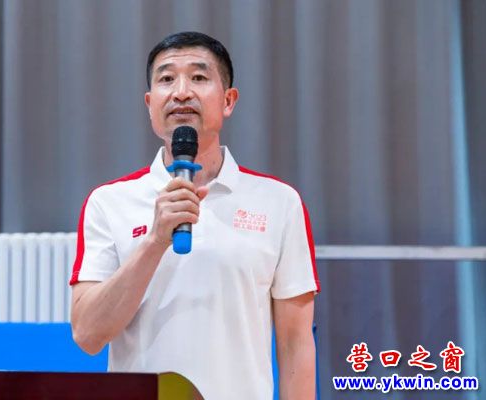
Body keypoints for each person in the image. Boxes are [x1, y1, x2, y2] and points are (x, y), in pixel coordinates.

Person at [70, 31, 320, 400]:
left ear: (228, 100)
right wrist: (155, 240)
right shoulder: (109, 202)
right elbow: (88, 335)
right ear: (150, 103)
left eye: (199, 77)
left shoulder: (279, 202)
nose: (182, 92)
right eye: (166, 79)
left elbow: (295, 343)